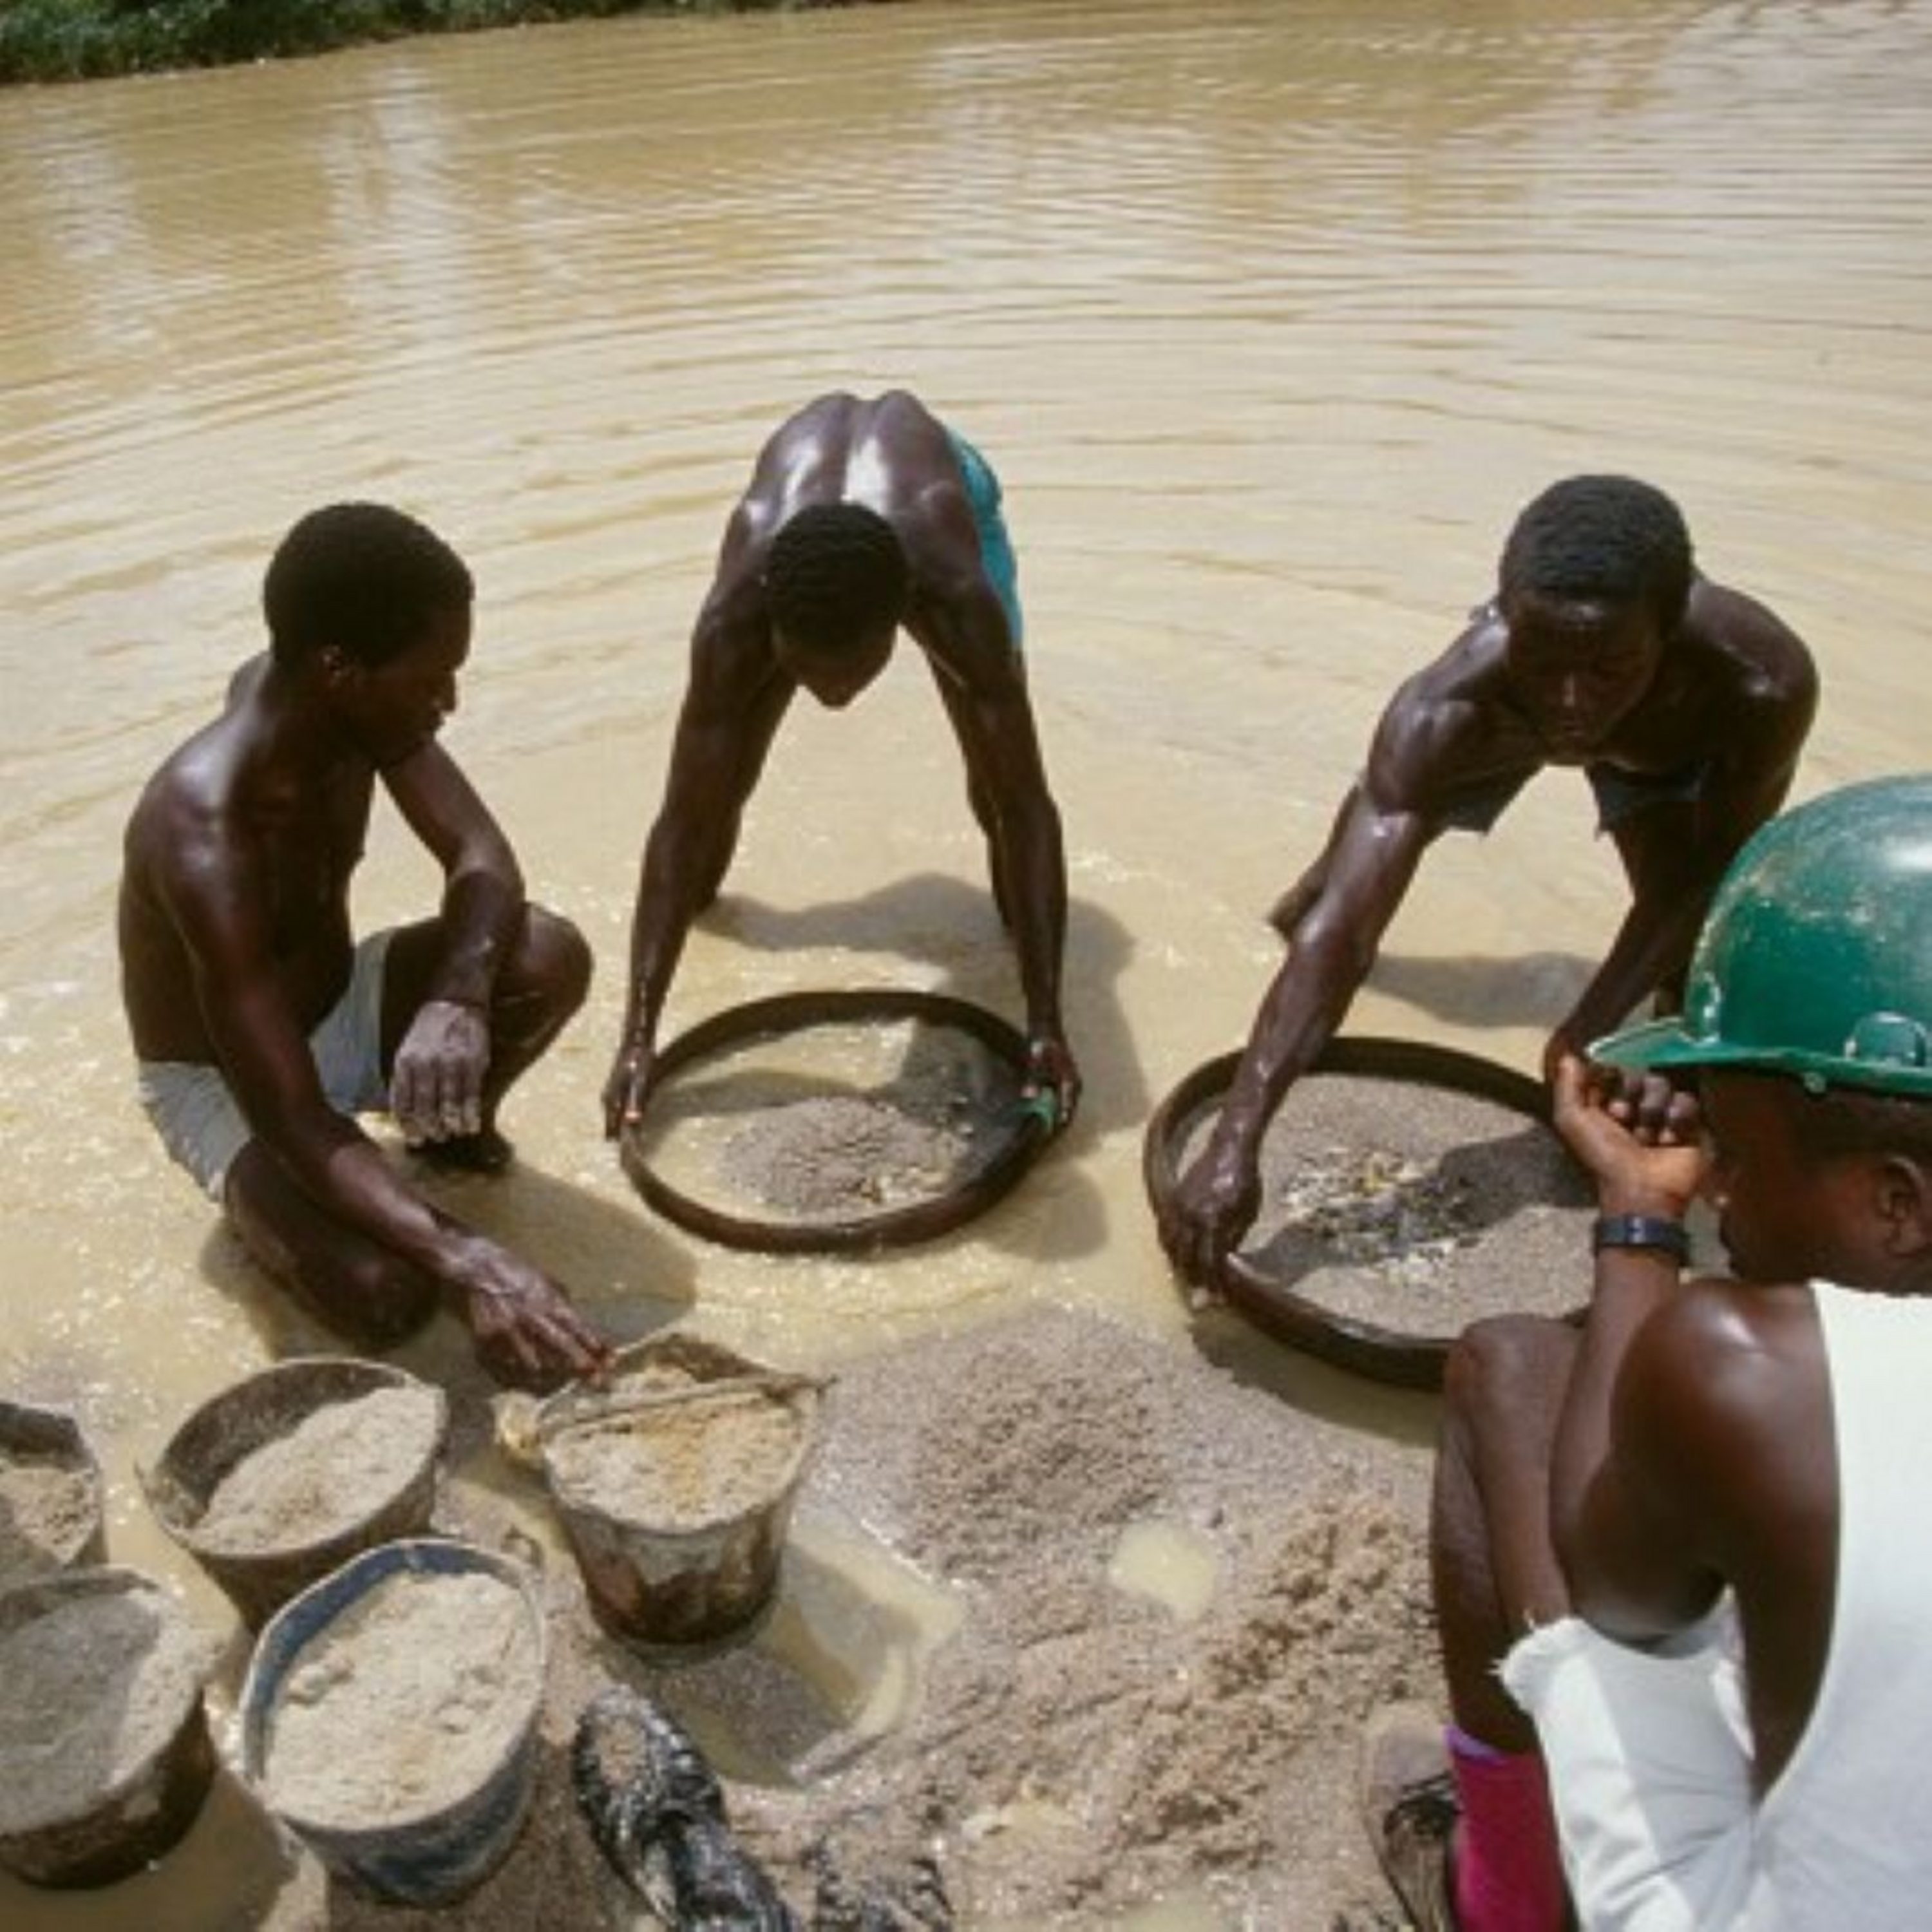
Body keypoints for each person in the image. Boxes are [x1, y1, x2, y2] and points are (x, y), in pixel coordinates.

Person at [1359, 772, 1932, 1931]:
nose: (1720, 1184)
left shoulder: (1750, 1364)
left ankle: (1504, 1897)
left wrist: (1640, 1222)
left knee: (1511, 1374)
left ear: (1900, 1204)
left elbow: (1611, 1594)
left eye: (1733, 1149)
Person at [1158, 475, 1816, 1280]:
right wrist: (1237, 1140)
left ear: (1670, 629)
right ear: (1504, 619)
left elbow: (1709, 876)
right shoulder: (1451, 706)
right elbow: (1350, 937)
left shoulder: (1759, 683)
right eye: (1542, 661)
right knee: (1331, 907)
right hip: (1500, 733)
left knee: (1682, 977)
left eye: (1607, 669)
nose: (1570, 705)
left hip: (1666, 756)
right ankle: (1320, 881)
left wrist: (1592, 1028)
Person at [119, 502, 612, 1391]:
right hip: (231, 1082)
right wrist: (479, 1263)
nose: (449, 704)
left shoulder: (350, 712)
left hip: (339, 998)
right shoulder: (201, 835)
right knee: (386, 1297)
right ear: (339, 671)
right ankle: (273, 1204)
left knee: (544, 956)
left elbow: (483, 856)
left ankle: (443, 1139)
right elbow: (297, 1119)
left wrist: (457, 1001)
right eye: (434, 681)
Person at [600, 390, 1079, 1141]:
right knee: (708, 832)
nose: (836, 699)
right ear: (772, 627)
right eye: (813, 675)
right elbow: (682, 820)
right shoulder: (735, 618)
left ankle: (1039, 973)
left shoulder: (955, 596)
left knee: (995, 808)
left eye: (856, 675)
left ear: (905, 621)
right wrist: (637, 1035)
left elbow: (1028, 807)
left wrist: (1047, 1019)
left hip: (947, 488)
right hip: (798, 525)